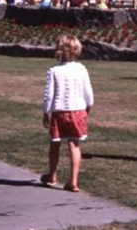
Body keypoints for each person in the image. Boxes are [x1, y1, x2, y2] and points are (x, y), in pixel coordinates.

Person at [40, 34, 94, 192]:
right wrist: (88, 107)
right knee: (74, 144)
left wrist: (45, 112)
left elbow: (49, 94)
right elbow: (88, 93)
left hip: (60, 111)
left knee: (55, 143)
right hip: (78, 110)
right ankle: (73, 180)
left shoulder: (54, 70)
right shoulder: (81, 69)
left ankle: (52, 175)